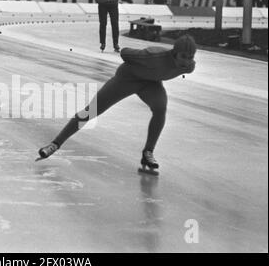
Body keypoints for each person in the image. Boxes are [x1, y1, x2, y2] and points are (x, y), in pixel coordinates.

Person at [38, 35, 197, 171]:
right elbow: (125, 52)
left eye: (190, 57)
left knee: (160, 109)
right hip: (127, 79)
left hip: (151, 84)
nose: (186, 61)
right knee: (91, 111)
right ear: (174, 53)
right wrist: (138, 63)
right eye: (183, 56)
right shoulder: (153, 56)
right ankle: (55, 144)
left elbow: (177, 67)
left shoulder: (188, 67)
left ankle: (148, 152)